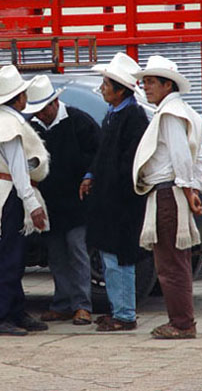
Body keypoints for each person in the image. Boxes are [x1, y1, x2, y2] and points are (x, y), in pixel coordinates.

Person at [132, 55, 202, 339]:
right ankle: (181, 320)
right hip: (173, 192)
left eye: (151, 82)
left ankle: (181, 323)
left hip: (168, 193)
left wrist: (189, 190)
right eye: (145, 82)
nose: (146, 87)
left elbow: (181, 157)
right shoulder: (184, 112)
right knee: (175, 261)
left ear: (167, 85)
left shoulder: (170, 115)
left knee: (170, 264)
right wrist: (194, 189)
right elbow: (198, 157)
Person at [0, 65, 50, 336]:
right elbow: (18, 169)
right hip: (10, 195)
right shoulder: (8, 125)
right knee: (7, 259)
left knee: (9, 258)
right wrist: (33, 204)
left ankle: (14, 311)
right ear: (17, 98)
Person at [79, 52, 149, 332]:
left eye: (107, 84)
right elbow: (102, 156)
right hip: (108, 203)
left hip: (121, 204)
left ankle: (125, 314)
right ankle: (118, 309)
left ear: (120, 90)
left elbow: (128, 165)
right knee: (110, 259)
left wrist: (111, 192)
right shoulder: (113, 114)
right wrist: (91, 175)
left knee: (120, 259)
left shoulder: (133, 118)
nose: (103, 89)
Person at [24, 75, 100, 326]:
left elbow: (97, 155)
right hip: (50, 204)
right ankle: (62, 303)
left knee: (77, 251)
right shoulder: (33, 127)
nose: (41, 115)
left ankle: (82, 305)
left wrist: (89, 176)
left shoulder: (80, 122)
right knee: (55, 254)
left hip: (77, 204)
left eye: (44, 109)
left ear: (55, 102)